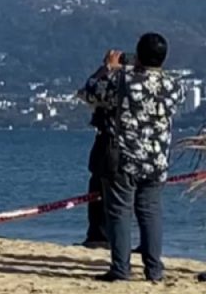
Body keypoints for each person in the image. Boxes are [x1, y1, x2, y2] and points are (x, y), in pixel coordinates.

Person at [77, 33, 183, 283]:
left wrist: (107, 69)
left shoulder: (122, 80)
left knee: (119, 212)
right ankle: (154, 270)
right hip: (157, 158)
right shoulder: (175, 85)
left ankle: (120, 269)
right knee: (151, 212)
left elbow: (88, 93)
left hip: (125, 155)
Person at [75, 104, 111, 249]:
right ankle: (98, 234)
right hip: (108, 137)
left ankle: (101, 236)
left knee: (102, 190)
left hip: (110, 141)